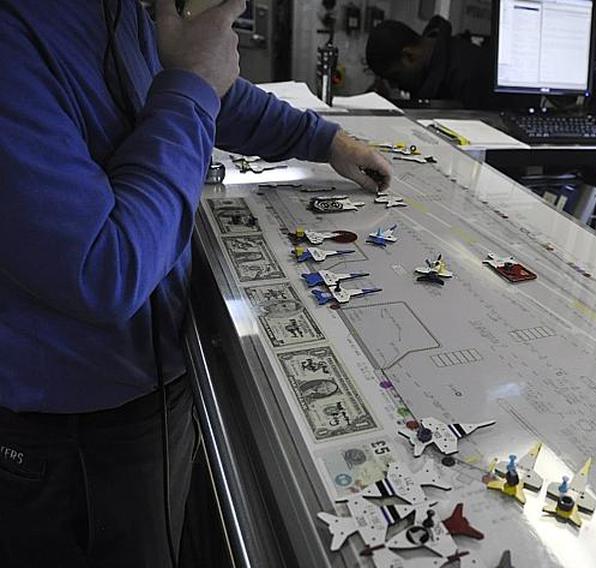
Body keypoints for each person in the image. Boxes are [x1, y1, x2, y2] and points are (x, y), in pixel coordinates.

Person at [0, 1, 391, 566]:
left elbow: (214, 91)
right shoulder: (15, 40)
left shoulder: (116, 11)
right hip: (73, 433)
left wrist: (326, 141)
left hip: (153, 383)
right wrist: (191, 84)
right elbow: (102, 271)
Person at [366, 16, 532, 110]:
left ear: (409, 55)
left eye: (395, 77)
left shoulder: (467, 75)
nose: (397, 86)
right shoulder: (438, 66)